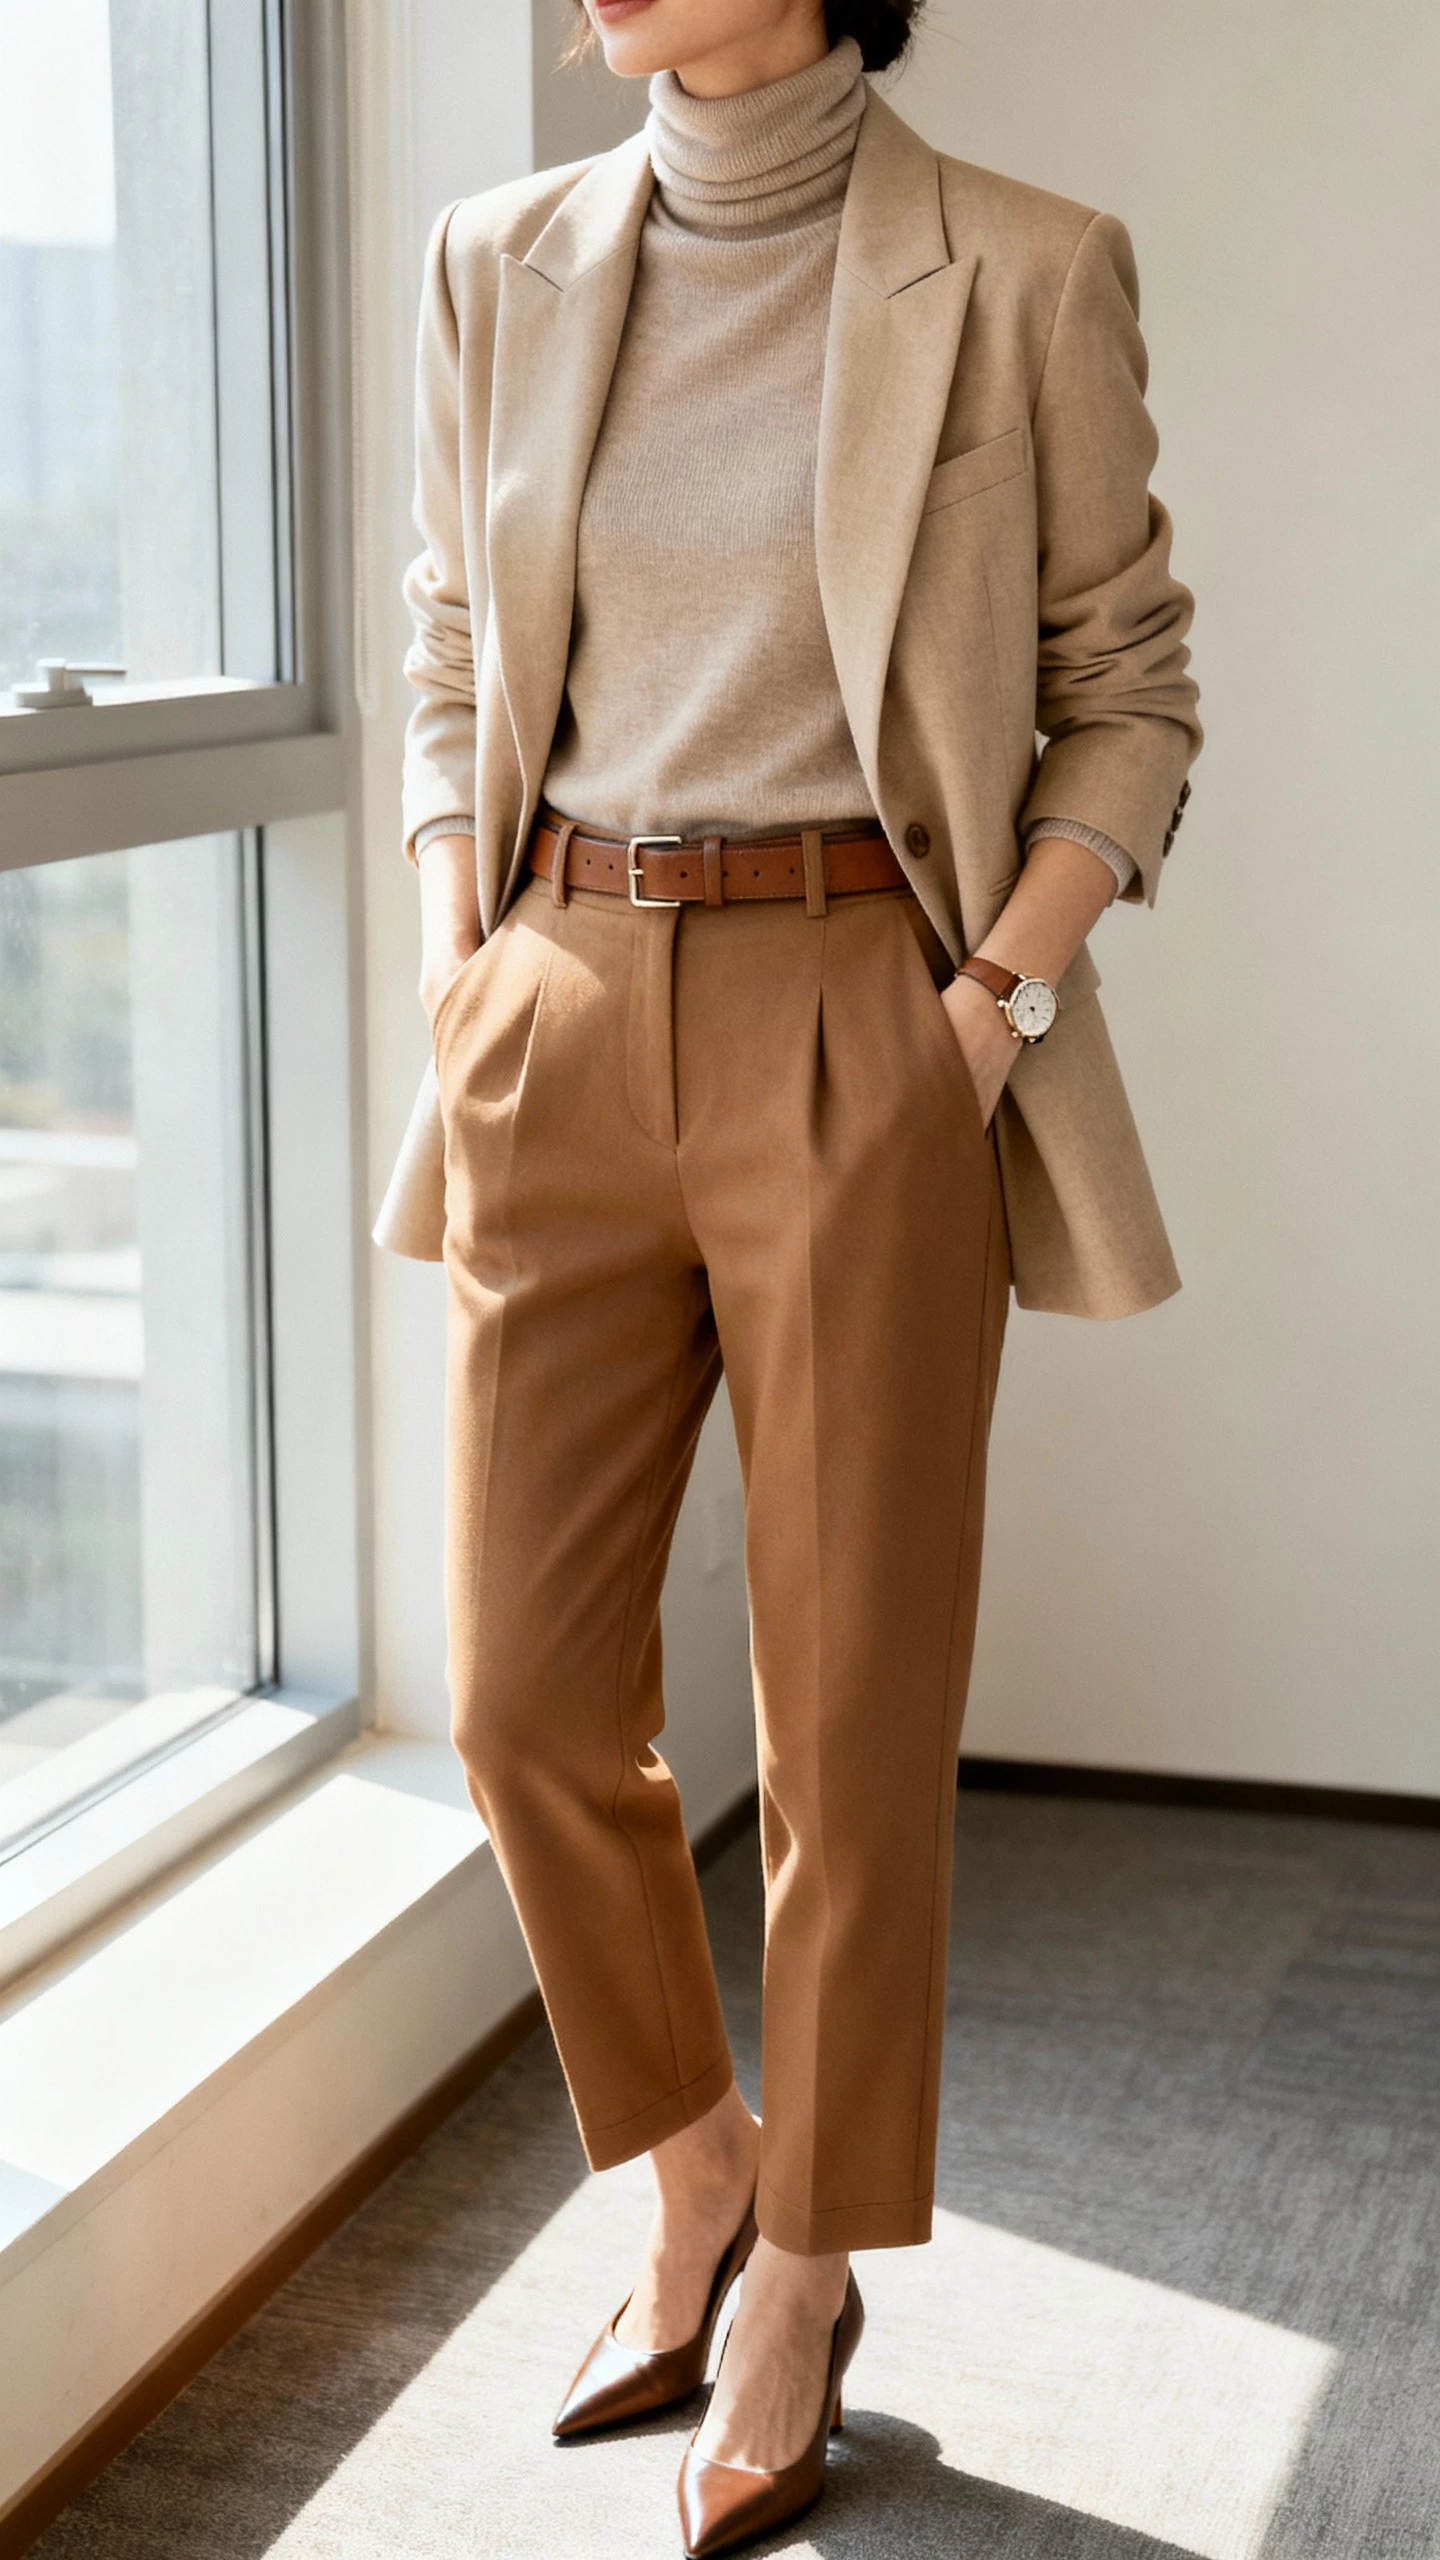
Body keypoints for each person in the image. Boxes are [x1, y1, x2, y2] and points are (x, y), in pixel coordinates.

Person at [374, 0, 1200, 2547]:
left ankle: (807, 2268)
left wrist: (984, 1011)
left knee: (847, 1722)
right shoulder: (496, 255)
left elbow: (1130, 693)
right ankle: (695, 2160)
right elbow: (448, 640)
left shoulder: (1022, 266)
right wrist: (459, 962)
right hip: (557, 999)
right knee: (521, 1695)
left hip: (864, 1003)